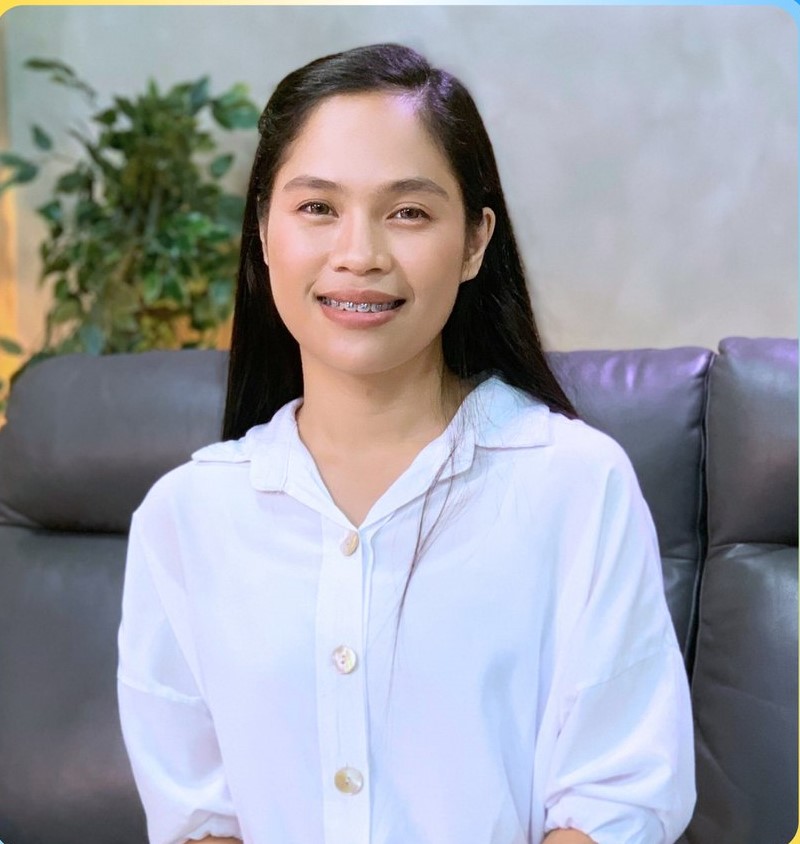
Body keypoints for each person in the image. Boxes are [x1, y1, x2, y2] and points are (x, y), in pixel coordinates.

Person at [117, 43, 695, 844]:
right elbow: (199, 818)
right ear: (263, 231)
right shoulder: (186, 516)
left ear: (475, 241)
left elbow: (618, 802)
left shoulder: (575, 484)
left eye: (409, 213)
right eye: (317, 208)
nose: (359, 254)